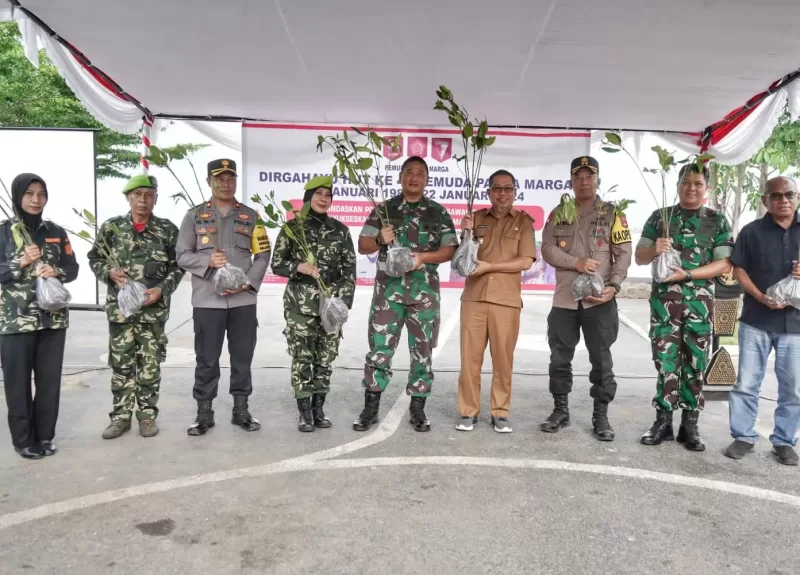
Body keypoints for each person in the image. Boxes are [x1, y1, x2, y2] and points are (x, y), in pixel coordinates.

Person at [353, 156, 458, 432]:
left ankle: (418, 409)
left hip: (424, 295)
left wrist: (423, 257)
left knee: (422, 352)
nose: (414, 178)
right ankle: (370, 408)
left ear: (426, 179)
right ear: (400, 177)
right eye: (409, 172)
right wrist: (380, 240)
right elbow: (363, 245)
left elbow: (450, 249)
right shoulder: (385, 210)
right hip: (389, 293)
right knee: (379, 350)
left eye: (420, 173)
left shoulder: (437, 212)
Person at [636, 163, 733, 451]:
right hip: (666, 305)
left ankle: (689, 425)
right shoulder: (660, 216)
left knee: (695, 363)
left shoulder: (716, 220)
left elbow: (724, 263)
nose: (692, 188)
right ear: (678, 184)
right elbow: (640, 257)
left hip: (699, 304)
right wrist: (656, 249)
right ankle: (663, 421)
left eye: (698, 183)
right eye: (686, 182)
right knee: (665, 362)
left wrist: (688, 275)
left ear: (706, 188)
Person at [176, 159, 271, 436]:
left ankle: (241, 409)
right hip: (208, 300)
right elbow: (181, 254)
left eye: (230, 178)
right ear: (209, 182)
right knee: (207, 358)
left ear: (236, 181)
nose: (226, 183)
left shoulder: (252, 216)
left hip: (243, 301)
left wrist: (247, 283)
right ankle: (204, 412)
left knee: (242, 357)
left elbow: (263, 254)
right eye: (219, 178)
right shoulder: (194, 216)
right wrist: (207, 263)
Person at [540, 156, 632, 441]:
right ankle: (560, 411)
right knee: (559, 358)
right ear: (571, 181)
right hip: (565, 300)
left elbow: (623, 254)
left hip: (599, 300)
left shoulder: (613, 214)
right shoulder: (559, 213)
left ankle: (600, 416)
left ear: (597, 180)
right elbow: (547, 248)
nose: (583, 181)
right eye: (578, 176)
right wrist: (575, 262)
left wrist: (614, 287)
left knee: (602, 360)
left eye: (589, 176)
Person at [88, 175, 184, 440]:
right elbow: (94, 257)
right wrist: (108, 272)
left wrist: (162, 290)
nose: (143, 200)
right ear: (128, 197)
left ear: (156, 198)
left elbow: (179, 265)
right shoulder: (112, 228)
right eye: (138, 194)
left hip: (152, 313)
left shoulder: (167, 230)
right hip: (121, 313)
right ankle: (120, 418)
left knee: (149, 365)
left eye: (149, 195)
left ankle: (147, 416)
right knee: (121, 365)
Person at [0, 173, 78, 459]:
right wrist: (20, 261)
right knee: (17, 384)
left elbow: (73, 267)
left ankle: (45, 436)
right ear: (18, 196)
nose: (36, 200)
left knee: (49, 383)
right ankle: (23, 440)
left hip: (52, 319)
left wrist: (56, 271)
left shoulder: (56, 231)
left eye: (41, 194)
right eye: (30, 194)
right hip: (15, 320)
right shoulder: (4, 232)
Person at [271, 176, 356, 432]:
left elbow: (349, 268)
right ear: (308, 198)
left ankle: (319, 409)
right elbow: (277, 264)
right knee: (302, 357)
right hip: (300, 306)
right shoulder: (292, 229)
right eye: (318, 194)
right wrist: (298, 267)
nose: (323, 199)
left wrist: (343, 303)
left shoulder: (340, 230)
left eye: (328, 195)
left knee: (325, 358)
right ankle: (305, 412)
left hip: (330, 304)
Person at [725, 176, 800, 466]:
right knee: (746, 382)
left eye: (789, 194)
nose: (783, 200)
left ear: (796, 196)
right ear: (765, 200)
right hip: (756, 319)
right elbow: (739, 268)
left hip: (795, 324)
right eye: (776, 195)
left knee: (793, 387)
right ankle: (743, 436)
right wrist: (759, 296)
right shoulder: (752, 231)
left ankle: (783, 441)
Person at [455, 169, 536, 433]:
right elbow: (462, 261)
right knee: (470, 359)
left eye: (507, 189)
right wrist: (464, 235)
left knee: (503, 360)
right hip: (474, 299)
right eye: (497, 188)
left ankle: (500, 412)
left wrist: (490, 266)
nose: (502, 193)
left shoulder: (524, 222)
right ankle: (468, 412)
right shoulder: (475, 218)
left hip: (506, 301)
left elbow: (525, 261)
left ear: (514, 192)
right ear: (489, 191)